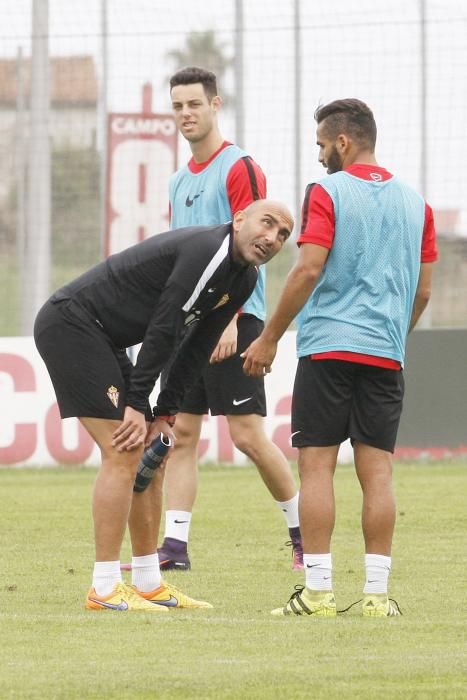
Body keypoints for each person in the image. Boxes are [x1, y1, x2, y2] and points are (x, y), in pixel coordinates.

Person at [34, 199, 293, 612]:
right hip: (71, 324)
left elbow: (198, 346)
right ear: (239, 219)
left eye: (283, 235)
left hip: (106, 337)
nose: (272, 238)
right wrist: (139, 403)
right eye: (267, 224)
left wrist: (166, 413)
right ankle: (103, 588)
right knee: (125, 448)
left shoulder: (243, 278)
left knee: (150, 457)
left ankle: (149, 582)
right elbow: (166, 325)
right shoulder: (209, 251)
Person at [242, 99, 438, 618]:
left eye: (322, 145)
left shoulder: (327, 192)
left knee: (317, 470)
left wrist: (270, 338)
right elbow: (422, 292)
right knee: (378, 475)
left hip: (329, 348)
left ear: (344, 141)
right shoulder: (417, 204)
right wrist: (393, 335)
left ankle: (319, 594)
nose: (321, 155)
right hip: (384, 355)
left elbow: (307, 270)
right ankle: (376, 597)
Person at [156, 66, 303, 571]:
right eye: (177, 107)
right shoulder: (178, 181)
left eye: (194, 104)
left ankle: (304, 535)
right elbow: (180, 256)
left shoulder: (239, 166)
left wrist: (230, 317)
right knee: (181, 436)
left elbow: (257, 242)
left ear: (215, 105)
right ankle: (174, 549)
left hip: (233, 319)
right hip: (189, 324)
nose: (185, 115)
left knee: (246, 436)